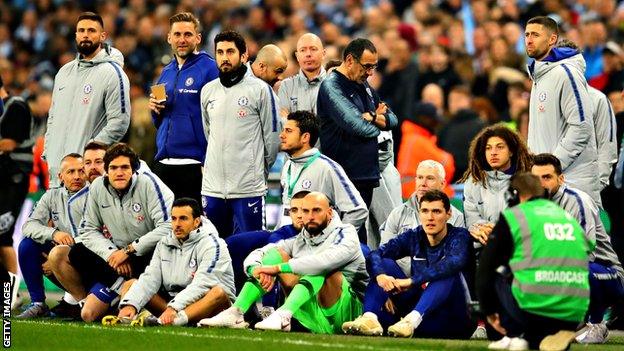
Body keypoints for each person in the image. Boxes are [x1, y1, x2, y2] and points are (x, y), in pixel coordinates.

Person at [198, 192, 368, 334]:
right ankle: (236, 311)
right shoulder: (300, 239)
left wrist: (278, 269)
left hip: (349, 316)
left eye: (316, 210)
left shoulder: (347, 233)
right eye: (305, 211)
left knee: (319, 267)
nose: (310, 216)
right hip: (313, 315)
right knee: (276, 254)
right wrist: (255, 269)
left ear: (330, 213)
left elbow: (325, 262)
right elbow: (263, 252)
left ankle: (283, 313)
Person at [48, 143, 173, 322]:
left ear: (134, 169)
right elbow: (88, 230)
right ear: (106, 170)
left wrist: (129, 250)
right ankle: (121, 290)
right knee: (87, 312)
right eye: (113, 168)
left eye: (124, 167)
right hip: (118, 262)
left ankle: (145, 303)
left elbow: (168, 227)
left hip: (150, 255)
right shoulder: (98, 187)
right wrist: (112, 253)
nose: (119, 172)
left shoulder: (148, 183)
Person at [477, 173, 592, 351]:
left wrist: (488, 312)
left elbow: (485, 269)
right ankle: (552, 333)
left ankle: (516, 333)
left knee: (500, 269)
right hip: (574, 311)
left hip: (533, 308)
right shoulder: (566, 217)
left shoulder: (515, 216)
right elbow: (588, 249)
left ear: (513, 195)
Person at [343, 190, 474, 339]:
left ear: (448, 214)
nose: (430, 217)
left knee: (447, 273)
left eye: (436, 211)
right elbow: (376, 254)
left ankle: (411, 321)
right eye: (425, 211)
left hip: (454, 319)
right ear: (419, 213)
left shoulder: (460, 236)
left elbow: (452, 264)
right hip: (418, 318)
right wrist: (381, 277)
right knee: (384, 264)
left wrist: (411, 281)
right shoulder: (414, 236)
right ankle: (370, 318)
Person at [531, 153, 624, 344]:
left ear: (561, 178)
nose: (541, 184)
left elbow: (585, 251)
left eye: (547, 177)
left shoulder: (578, 201)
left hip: (606, 273)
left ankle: (596, 323)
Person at [200, 30, 280, 238]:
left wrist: (257, 172)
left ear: (244, 56)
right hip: (213, 188)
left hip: (248, 189)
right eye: (220, 52)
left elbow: (272, 138)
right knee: (215, 248)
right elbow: (209, 133)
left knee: (251, 248)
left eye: (230, 51)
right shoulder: (208, 91)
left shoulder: (261, 90)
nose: (224, 57)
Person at [316, 38, 398, 242]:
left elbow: (393, 120)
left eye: (374, 67)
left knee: (363, 237)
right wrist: (376, 121)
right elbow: (360, 128)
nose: (370, 72)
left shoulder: (365, 86)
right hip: (344, 176)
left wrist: (370, 116)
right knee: (344, 237)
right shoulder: (332, 86)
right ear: (350, 60)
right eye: (367, 66)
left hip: (366, 175)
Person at [44, 12, 130, 188]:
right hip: (57, 173)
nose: (85, 34)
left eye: (91, 30)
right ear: (75, 35)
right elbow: (52, 118)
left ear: (103, 36)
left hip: (86, 176)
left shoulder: (112, 73)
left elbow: (119, 122)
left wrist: (91, 155)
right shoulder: (63, 73)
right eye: (81, 30)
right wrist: (48, 153)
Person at [117, 198, 235, 326]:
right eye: (174, 219)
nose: (177, 224)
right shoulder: (164, 243)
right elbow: (150, 278)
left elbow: (203, 283)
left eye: (183, 218)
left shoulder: (214, 244)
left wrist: (174, 308)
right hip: (173, 306)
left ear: (196, 221)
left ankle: (172, 321)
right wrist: (131, 305)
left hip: (210, 309)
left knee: (218, 292)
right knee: (130, 285)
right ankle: (138, 317)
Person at [525, 16, 600, 204]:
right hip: (549, 183)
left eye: (535, 34)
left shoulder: (566, 73)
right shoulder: (539, 76)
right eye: (526, 35)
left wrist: (552, 166)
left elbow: (582, 127)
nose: (529, 39)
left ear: (552, 39)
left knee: (583, 235)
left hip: (572, 183)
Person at [149, 12, 218, 203]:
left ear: (198, 38)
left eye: (187, 34)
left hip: (194, 164)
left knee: (195, 228)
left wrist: (207, 161)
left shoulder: (210, 69)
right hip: (163, 163)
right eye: (177, 35)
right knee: (166, 227)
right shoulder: (166, 71)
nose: (182, 40)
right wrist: (154, 109)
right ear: (169, 37)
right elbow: (158, 121)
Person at [17, 153, 88, 318]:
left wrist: (58, 260)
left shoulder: (95, 194)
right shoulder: (52, 195)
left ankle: (79, 301)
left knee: (91, 313)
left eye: (81, 171)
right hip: (64, 254)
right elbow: (28, 226)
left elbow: (97, 235)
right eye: (71, 172)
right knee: (28, 245)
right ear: (60, 176)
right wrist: (54, 233)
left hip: (89, 259)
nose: (77, 176)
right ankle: (38, 303)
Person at [278, 110, 367, 230]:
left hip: (312, 243)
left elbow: (358, 210)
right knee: (250, 242)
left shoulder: (327, 167)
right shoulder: (288, 165)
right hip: (286, 237)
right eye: (283, 130)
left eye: (288, 131)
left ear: (305, 137)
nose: (281, 135)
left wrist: (336, 239)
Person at [380, 160, 465, 276]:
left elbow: (455, 258)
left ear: (442, 183)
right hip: (403, 278)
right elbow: (386, 252)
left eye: (430, 178)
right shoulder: (397, 214)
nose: (423, 183)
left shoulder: (456, 218)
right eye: (420, 177)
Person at [461, 124, 532, 245]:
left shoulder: (527, 181)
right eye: (488, 148)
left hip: (518, 247)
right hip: (483, 247)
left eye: (500, 147)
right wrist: (484, 231)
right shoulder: (473, 182)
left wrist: (497, 232)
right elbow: (472, 220)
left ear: (511, 151)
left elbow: (528, 220)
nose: (493, 153)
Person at [0, 75, 34, 305]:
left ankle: (10, 294)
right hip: (3, 180)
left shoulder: (16, 106)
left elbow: (8, 144)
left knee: (2, 237)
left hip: (13, 180)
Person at [278, 33, 326, 115]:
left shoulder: (335, 84)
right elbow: (284, 121)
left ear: (323, 54)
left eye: (313, 49)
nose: (308, 54)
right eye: (303, 50)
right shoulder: (286, 86)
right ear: (297, 56)